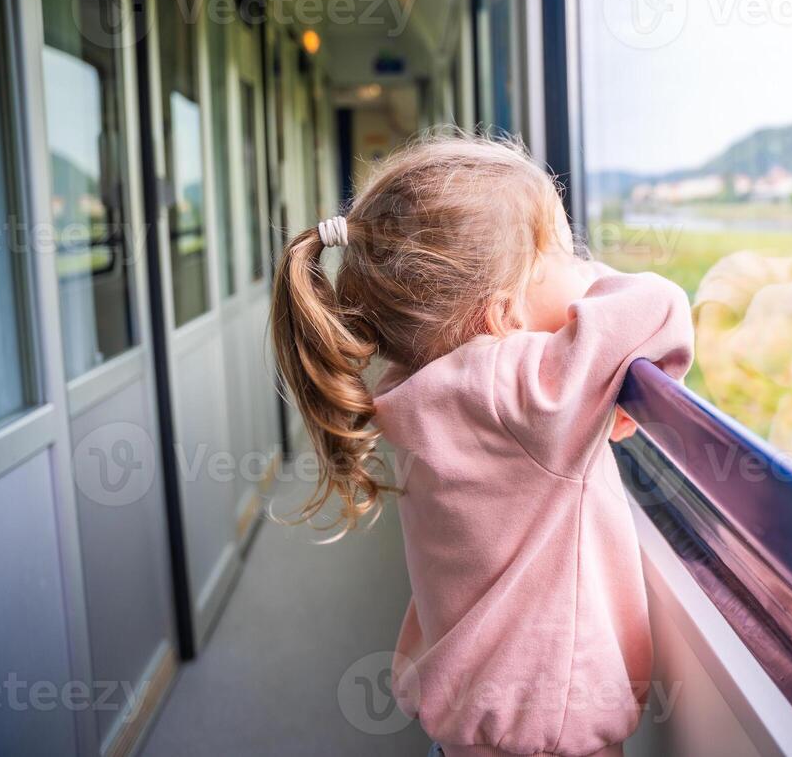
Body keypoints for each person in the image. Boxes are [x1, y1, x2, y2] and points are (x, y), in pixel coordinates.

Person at [270, 133, 693, 757]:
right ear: (502, 317)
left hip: (473, 722)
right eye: (564, 249)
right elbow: (658, 307)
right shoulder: (516, 393)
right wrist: (592, 288)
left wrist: (561, 282)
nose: (583, 265)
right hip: (547, 729)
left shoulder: (416, 387)